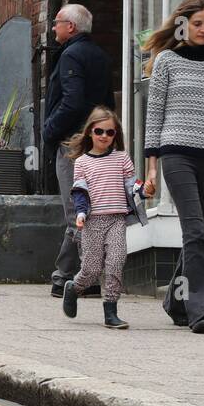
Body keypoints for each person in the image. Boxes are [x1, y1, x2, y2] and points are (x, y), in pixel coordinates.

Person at [143, 0, 204, 335]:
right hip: (178, 154)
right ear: (182, 24)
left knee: (197, 234)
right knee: (195, 231)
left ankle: (176, 302)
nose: (203, 29)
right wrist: (151, 166)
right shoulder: (167, 60)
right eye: (197, 23)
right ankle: (201, 310)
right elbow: (154, 114)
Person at [44, 4, 115, 297]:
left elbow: (72, 101)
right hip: (96, 144)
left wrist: (49, 129)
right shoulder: (99, 55)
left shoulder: (72, 55)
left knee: (76, 212)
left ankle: (67, 277)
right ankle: (87, 277)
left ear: (71, 27)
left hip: (73, 143)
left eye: (57, 22)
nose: (53, 28)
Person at [62, 106, 136, 329]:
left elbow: (132, 187)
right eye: (99, 131)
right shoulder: (83, 163)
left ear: (116, 136)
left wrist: (145, 190)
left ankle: (110, 311)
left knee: (116, 261)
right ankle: (73, 288)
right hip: (93, 222)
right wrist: (81, 214)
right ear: (90, 133)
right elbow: (80, 192)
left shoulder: (122, 158)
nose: (104, 136)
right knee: (91, 270)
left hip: (117, 219)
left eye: (110, 132)